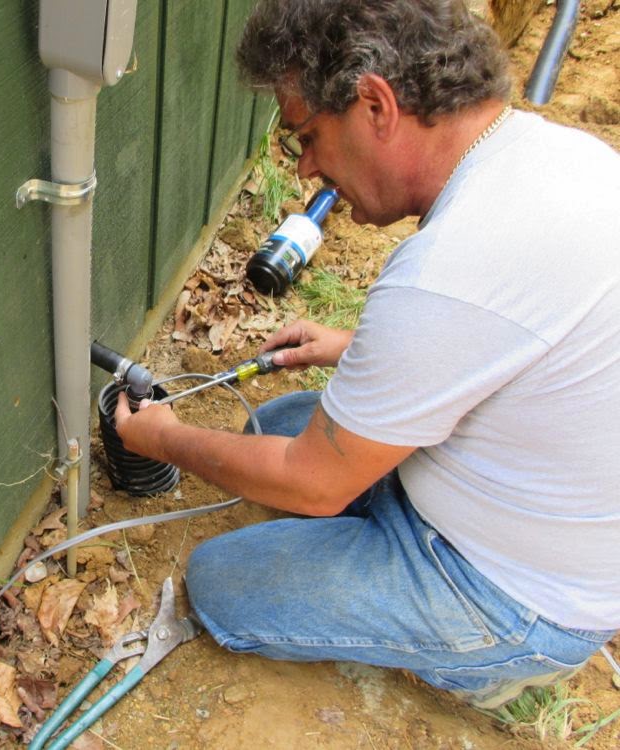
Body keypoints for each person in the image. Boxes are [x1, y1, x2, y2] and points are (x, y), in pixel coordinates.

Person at [114, 0, 620, 709]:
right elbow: (524, 344)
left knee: (225, 585)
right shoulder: (549, 159)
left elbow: (311, 483)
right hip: (517, 497)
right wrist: (357, 348)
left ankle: (491, 664)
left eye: (310, 137)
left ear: (376, 105)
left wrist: (162, 438)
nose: (312, 170)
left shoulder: (450, 269)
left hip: (514, 592)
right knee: (279, 421)